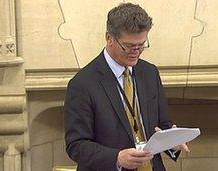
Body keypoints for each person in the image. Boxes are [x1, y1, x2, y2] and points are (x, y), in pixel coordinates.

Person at [64, 3, 189, 171]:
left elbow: (163, 125)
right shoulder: (82, 84)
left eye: (141, 45)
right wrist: (117, 158)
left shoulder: (150, 72)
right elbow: (76, 145)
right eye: (129, 46)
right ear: (109, 38)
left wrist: (172, 143)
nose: (136, 52)